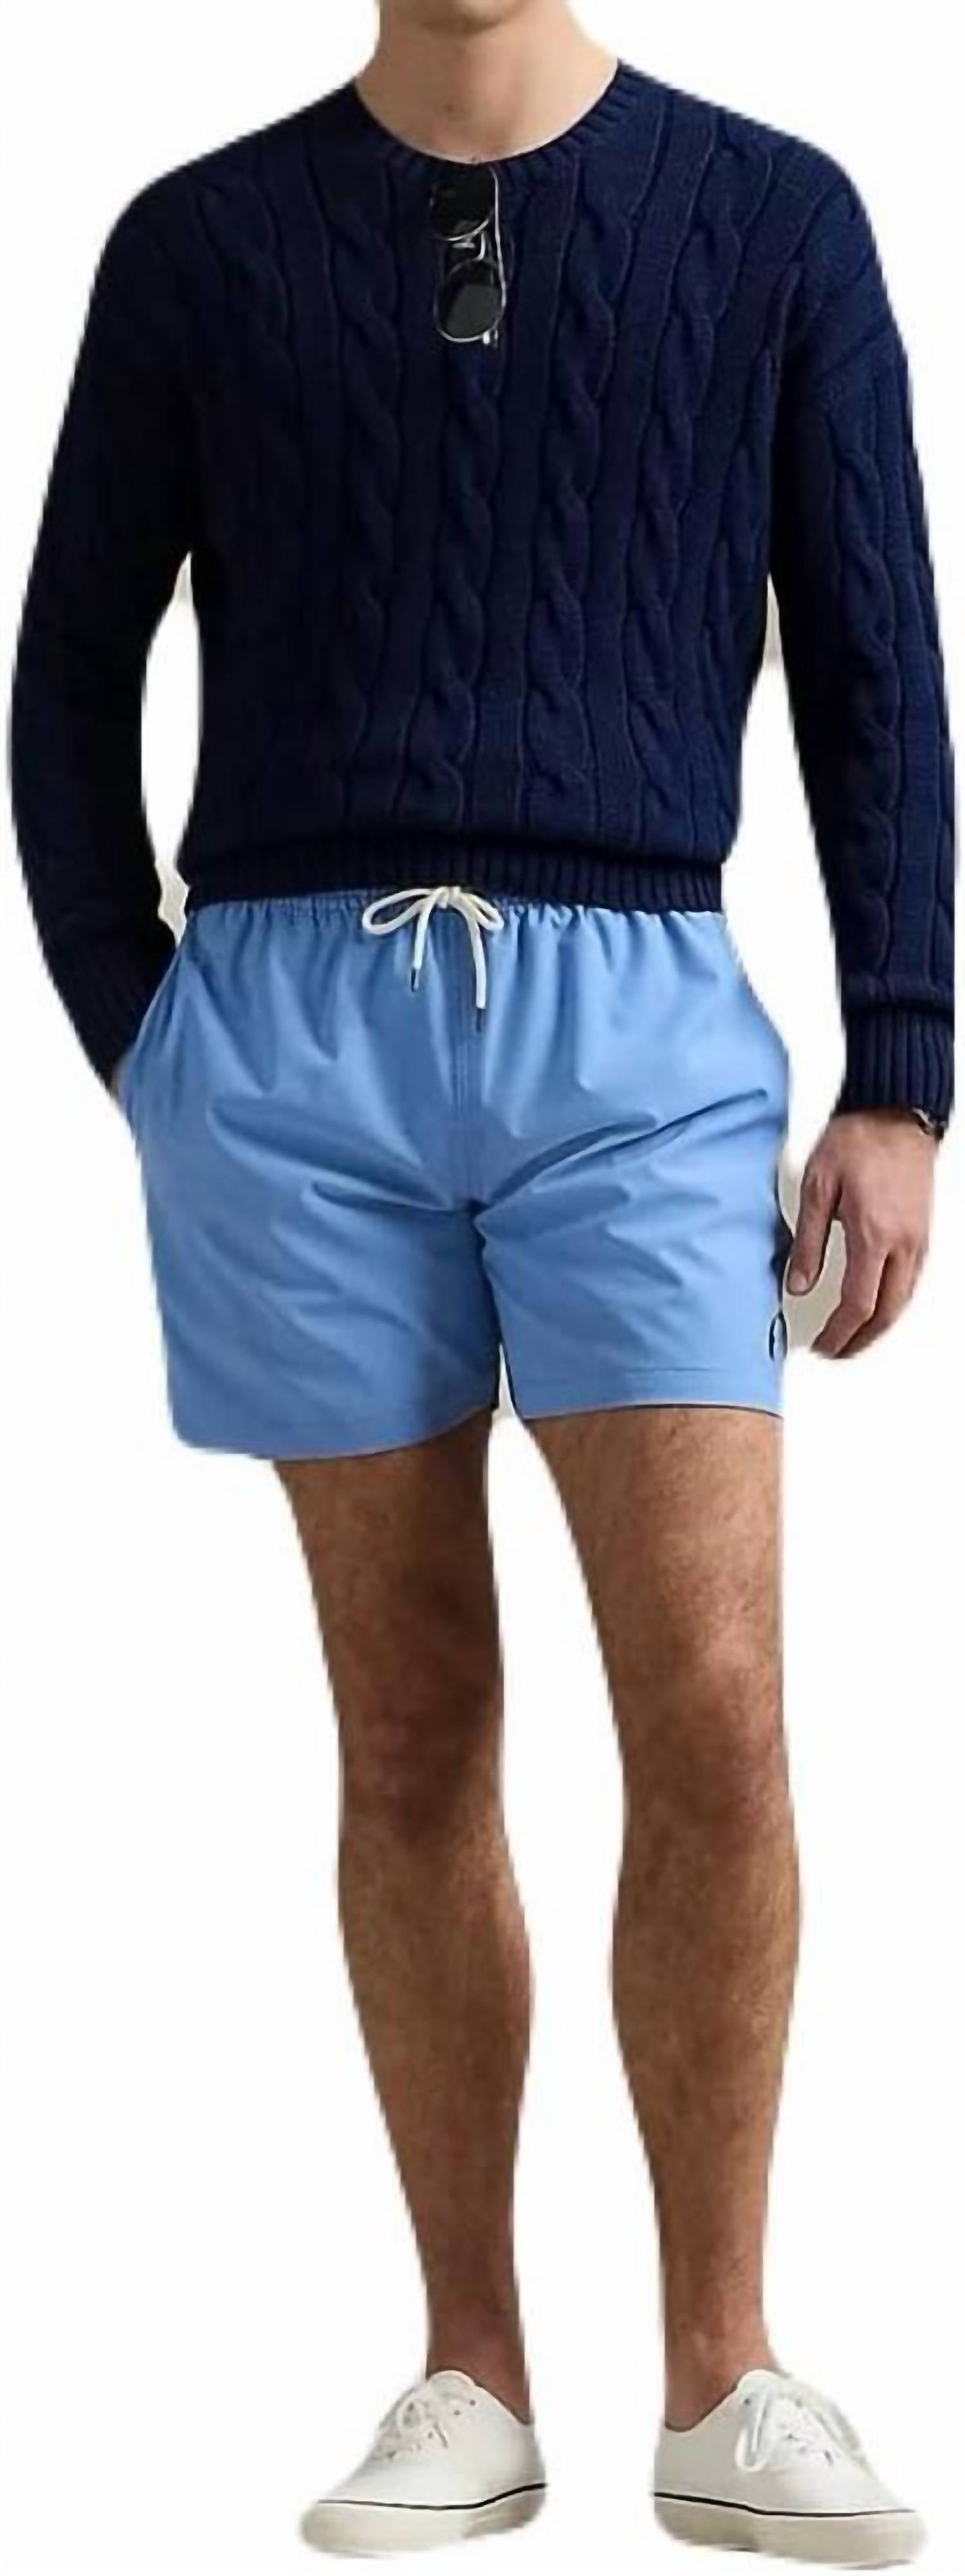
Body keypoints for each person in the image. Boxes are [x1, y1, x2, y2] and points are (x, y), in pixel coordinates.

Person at [8, 1, 954, 2562]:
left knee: (718, 1712)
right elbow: (65, 676)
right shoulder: (197, 244)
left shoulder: (772, 222)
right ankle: (471, 2373)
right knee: (412, 1718)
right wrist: (152, 1042)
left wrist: (901, 1062)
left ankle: (725, 2377)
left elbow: (877, 652)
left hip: (640, 1022)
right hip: (285, 1034)